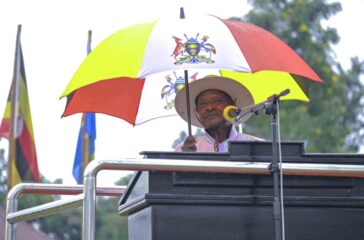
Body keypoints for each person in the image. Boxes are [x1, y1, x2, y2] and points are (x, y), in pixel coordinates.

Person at [174, 75, 263, 152]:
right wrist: (187, 159)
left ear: (232, 105)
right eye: (203, 104)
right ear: (197, 112)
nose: (209, 108)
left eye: (217, 101)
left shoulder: (257, 147)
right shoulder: (184, 151)